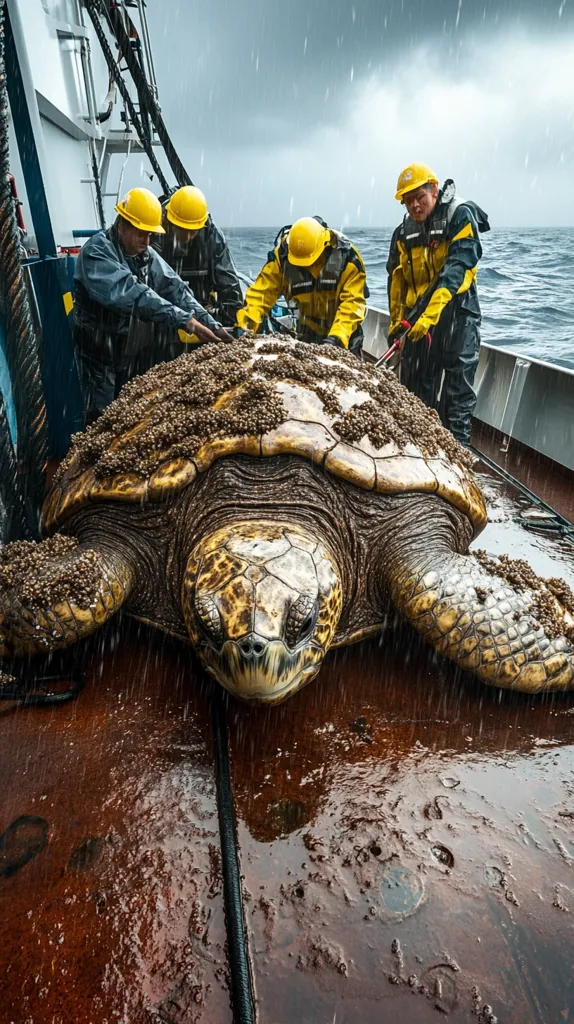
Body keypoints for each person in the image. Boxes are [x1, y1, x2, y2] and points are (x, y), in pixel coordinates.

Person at [73, 186, 232, 424]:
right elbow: (134, 294)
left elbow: (174, 287)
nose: (147, 241)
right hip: (98, 355)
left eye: (150, 235)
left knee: (134, 413)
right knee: (103, 418)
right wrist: (184, 321)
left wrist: (211, 323)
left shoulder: (143, 252)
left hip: (128, 351)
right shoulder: (96, 253)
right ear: (122, 225)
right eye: (141, 233)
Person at [387, 164, 490, 446]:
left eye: (419, 196)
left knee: (457, 398)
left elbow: (457, 268)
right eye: (408, 201)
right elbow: (397, 280)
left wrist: (430, 316)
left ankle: (458, 458)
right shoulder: (402, 233)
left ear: (434, 189)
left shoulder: (460, 216)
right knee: (416, 396)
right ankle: (419, 454)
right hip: (417, 321)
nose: (414, 205)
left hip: (458, 315)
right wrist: (397, 322)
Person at [235, 216, 368, 356]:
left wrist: (337, 337)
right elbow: (260, 295)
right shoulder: (282, 258)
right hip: (307, 331)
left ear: (324, 245)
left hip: (344, 333)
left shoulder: (348, 258)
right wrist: (246, 325)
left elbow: (352, 303)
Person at [152, 185, 243, 328]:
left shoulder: (212, 238)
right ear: (169, 221)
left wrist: (228, 320)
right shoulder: (152, 232)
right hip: (159, 312)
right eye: (182, 230)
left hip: (201, 312)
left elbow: (230, 290)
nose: (187, 236)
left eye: (192, 231)